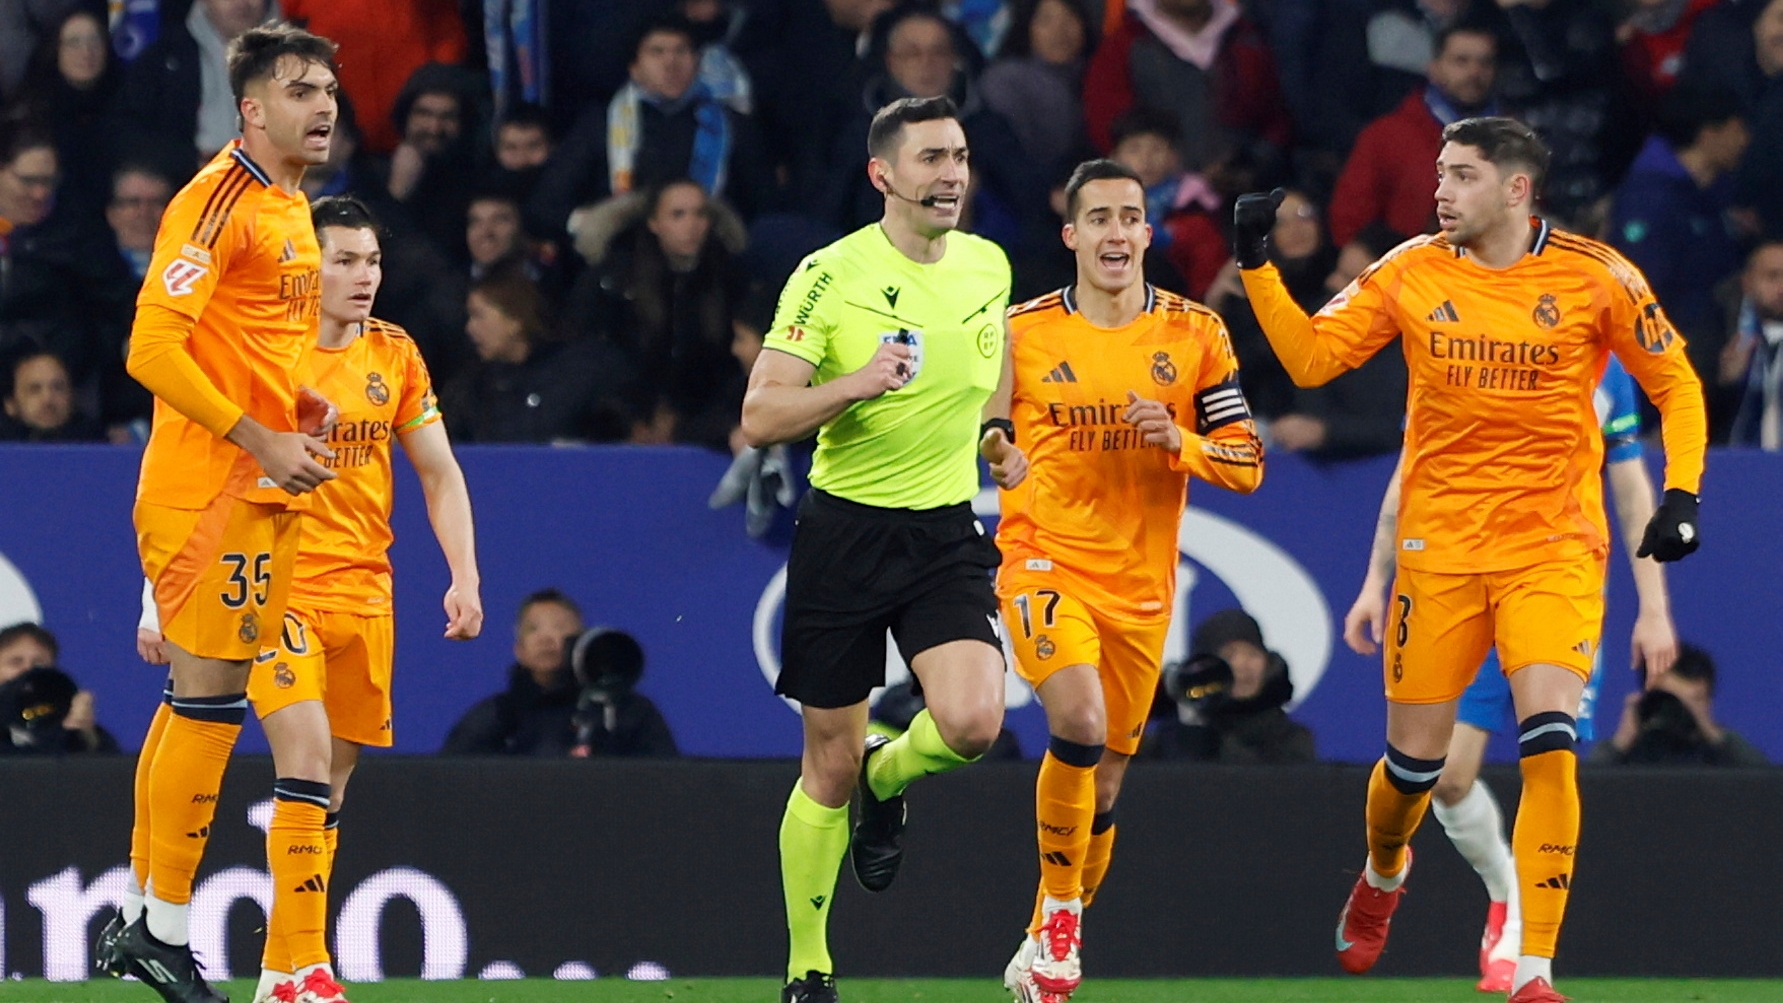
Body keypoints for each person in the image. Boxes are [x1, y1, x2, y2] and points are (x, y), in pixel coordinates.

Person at [1231, 117, 1707, 1002]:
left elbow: (1675, 381)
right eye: (1439, 174)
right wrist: (1257, 265)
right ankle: (1381, 872)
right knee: (1414, 770)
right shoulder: (1411, 268)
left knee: (1550, 747)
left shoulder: (1595, 276)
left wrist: (1681, 494)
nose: (1439, 190)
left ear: (1516, 189)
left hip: (1552, 548)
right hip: (1439, 549)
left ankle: (1533, 966)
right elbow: (1308, 358)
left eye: (1459, 176)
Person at [739, 95, 1028, 1003]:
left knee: (976, 724)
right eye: (932, 158)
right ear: (883, 175)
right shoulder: (829, 276)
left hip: (944, 532)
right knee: (822, 765)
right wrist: (857, 383)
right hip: (844, 534)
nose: (951, 174)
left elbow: (997, 367)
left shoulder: (987, 263)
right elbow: (757, 415)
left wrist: (996, 437)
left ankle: (888, 767)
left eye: (960, 156)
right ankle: (808, 967)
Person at [90, 24, 343, 1003]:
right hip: (210, 489)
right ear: (251, 106)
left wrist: (299, 414)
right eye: (297, 89)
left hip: (252, 482)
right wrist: (259, 436)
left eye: (326, 88)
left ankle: (144, 917)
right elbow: (150, 349)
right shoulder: (218, 198)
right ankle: (162, 929)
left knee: (195, 701)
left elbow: (258, 341)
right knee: (210, 705)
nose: (320, 105)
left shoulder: (289, 204)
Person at [993, 157, 1263, 1003]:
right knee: (1073, 719)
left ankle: (1041, 934)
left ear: (1148, 233)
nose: (1115, 233)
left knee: (1103, 781)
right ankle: (1065, 918)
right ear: (1071, 235)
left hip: (1140, 587)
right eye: (1098, 218)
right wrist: (996, 453)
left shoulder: (1195, 335)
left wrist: (1177, 442)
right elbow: (988, 429)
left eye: (1129, 218)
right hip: (1042, 556)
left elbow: (1247, 460)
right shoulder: (1020, 331)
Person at [1342, 353, 1678, 992]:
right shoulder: (1461, 337)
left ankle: (1529, 957)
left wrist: (1654, 608)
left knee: (1549, 752)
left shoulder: (1603, 359)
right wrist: (1374, 581)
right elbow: (1413, 469)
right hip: (1460, 579)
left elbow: (1632, 490)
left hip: (1553, 585)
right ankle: (1485, 885)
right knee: (1442, 778)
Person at [236, 195, 481, 1003]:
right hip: (279, 585)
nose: (363, 275)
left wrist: (464, 574)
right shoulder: (265, 352)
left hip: (364, 594)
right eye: (343, 259)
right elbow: (196, 474)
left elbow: (438, 472)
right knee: (302, 760)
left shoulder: (396, 354)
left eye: (371, 260)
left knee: (328, 792)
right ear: (307, 266)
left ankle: (284, 966)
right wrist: (152, 599)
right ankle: (306, 971)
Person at [1145, 608, 1315, 764]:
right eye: (1229, 655)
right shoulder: (1170, 737)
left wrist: (1212, 741)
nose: (1242, 665)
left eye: (1252, 654)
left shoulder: (1291, 738)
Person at [440, 588, 586, 756]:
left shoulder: (605, 714)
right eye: (533, 629)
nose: (546, 638)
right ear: (518, 649)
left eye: (559, 627)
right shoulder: (494, 718)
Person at [1590, 644, 1768, 766]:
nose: (1674, 708)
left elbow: (1764, 786)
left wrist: (1712, 733)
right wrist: (1620, 742)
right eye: (1666, 698)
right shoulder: (1627, 753)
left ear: (1706, 700)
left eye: (1689, 700)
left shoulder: (1722, 755)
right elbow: (1586, 789)